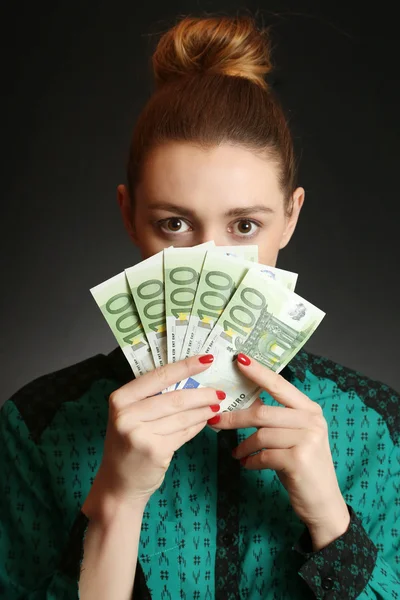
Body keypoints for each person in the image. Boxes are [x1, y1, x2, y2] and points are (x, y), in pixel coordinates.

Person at [0, 13, 398, 600]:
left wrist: (332, 522)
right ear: (128, 215)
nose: (210, 260)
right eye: (175, 223)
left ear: (291, 215)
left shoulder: (377, 430)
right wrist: (115, 504)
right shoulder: (35, 427)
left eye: (244, 225)